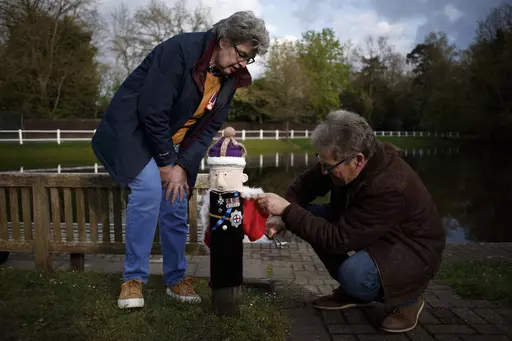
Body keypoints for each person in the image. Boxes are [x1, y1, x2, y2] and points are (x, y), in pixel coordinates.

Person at [91, 11, 269, 309]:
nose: (243, 64)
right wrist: (164, 163)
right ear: (223, 41)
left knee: (176, 195)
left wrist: (181, 167)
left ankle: (176, 278)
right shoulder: (179, 50)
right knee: (149, 189)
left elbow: (208, 129)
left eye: (248, 60)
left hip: (169, 142)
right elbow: (152, 110)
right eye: (241, 54)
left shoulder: (230, 78)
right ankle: (133, 278)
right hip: (132, 132)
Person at [256, 110, 446, 333]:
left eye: (329, 167)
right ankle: (354, 293)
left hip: (412, 251)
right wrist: (282, 216)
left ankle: (409, 300)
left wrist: (287, 211)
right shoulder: (342, 160)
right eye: (321, 163)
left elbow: (338, 240)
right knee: (303, 215)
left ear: (358, 160)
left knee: (353, 274)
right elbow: (304, 187)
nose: (324, 172)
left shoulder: (390, 187)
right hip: (375, 231)